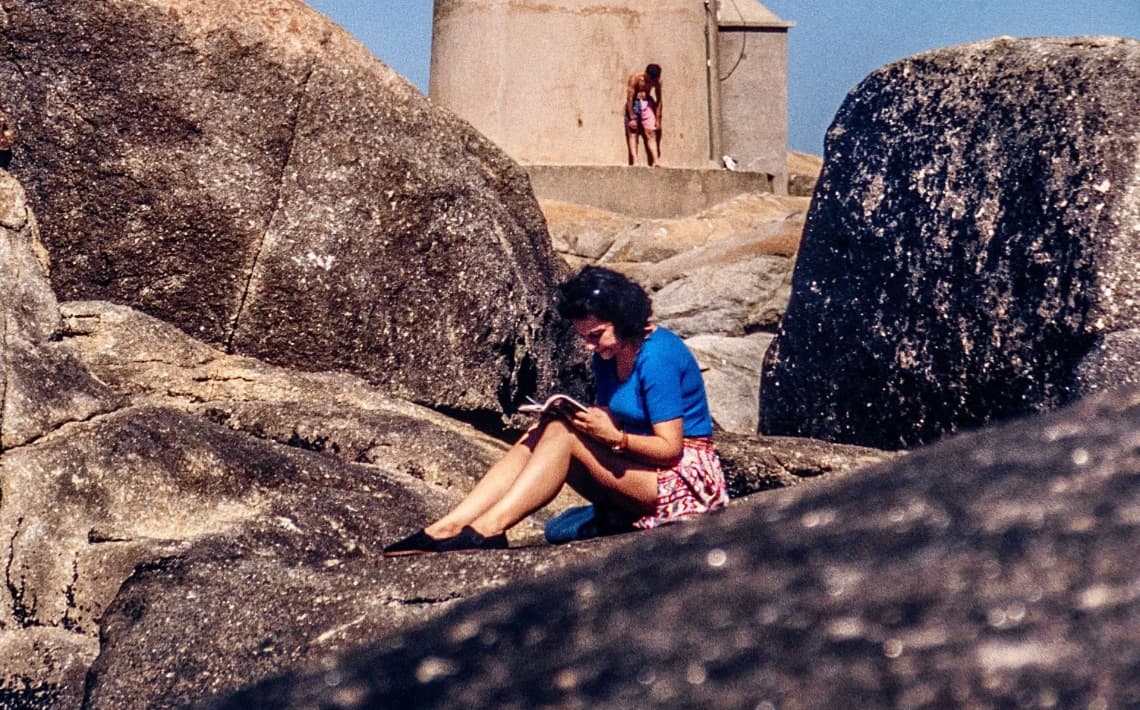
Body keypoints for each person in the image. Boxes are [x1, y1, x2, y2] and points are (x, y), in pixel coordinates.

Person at [383, 266, 728, 555]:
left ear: (623, 320)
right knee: (545, 429)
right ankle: (451, 525)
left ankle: (489, 528)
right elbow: (617, 412)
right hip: (642, 465)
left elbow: (670, 449)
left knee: (563, 437)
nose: (588, 346)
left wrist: (615, 438)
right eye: (584, 337)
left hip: (683, 480)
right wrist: (580, 417)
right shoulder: (607, 356)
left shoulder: (657, 357)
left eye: (596, 335)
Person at [624, 63, 662, 167]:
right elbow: (629, 98)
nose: (651, 82)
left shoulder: (657, 81)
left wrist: (658, 119)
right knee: (632, 132)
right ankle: (635, 161)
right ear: (646, 74)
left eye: (653, 80)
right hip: (634, 103)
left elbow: (659, 100)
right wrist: (631, 116)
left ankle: (656, 161)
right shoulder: (635, 78)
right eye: (650, 79)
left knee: (651, 132)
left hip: (647, 103)